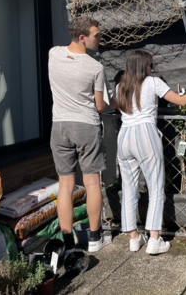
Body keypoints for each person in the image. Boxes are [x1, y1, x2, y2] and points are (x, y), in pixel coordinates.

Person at [110, 50, 186, 254]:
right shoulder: (152, 82)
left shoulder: (120, 86)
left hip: (124, 136)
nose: (152, 68)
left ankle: (133, 238)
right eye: (150, 64)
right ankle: (154, 239)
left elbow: (113, 104)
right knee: (156, 187)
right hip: (145, 134)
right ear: (144, 66)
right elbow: (181, 101)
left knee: (129, 187)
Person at [48, 16, 109, 253]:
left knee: (65, 185)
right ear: (82, 38)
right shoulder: (95, 67)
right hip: (85, 126)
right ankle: (94, 238)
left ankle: (67, 243)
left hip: (60, 126)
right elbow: (100, 106)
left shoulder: (54, 54)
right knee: (92, 182)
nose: (100, 38)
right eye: (97, 35)